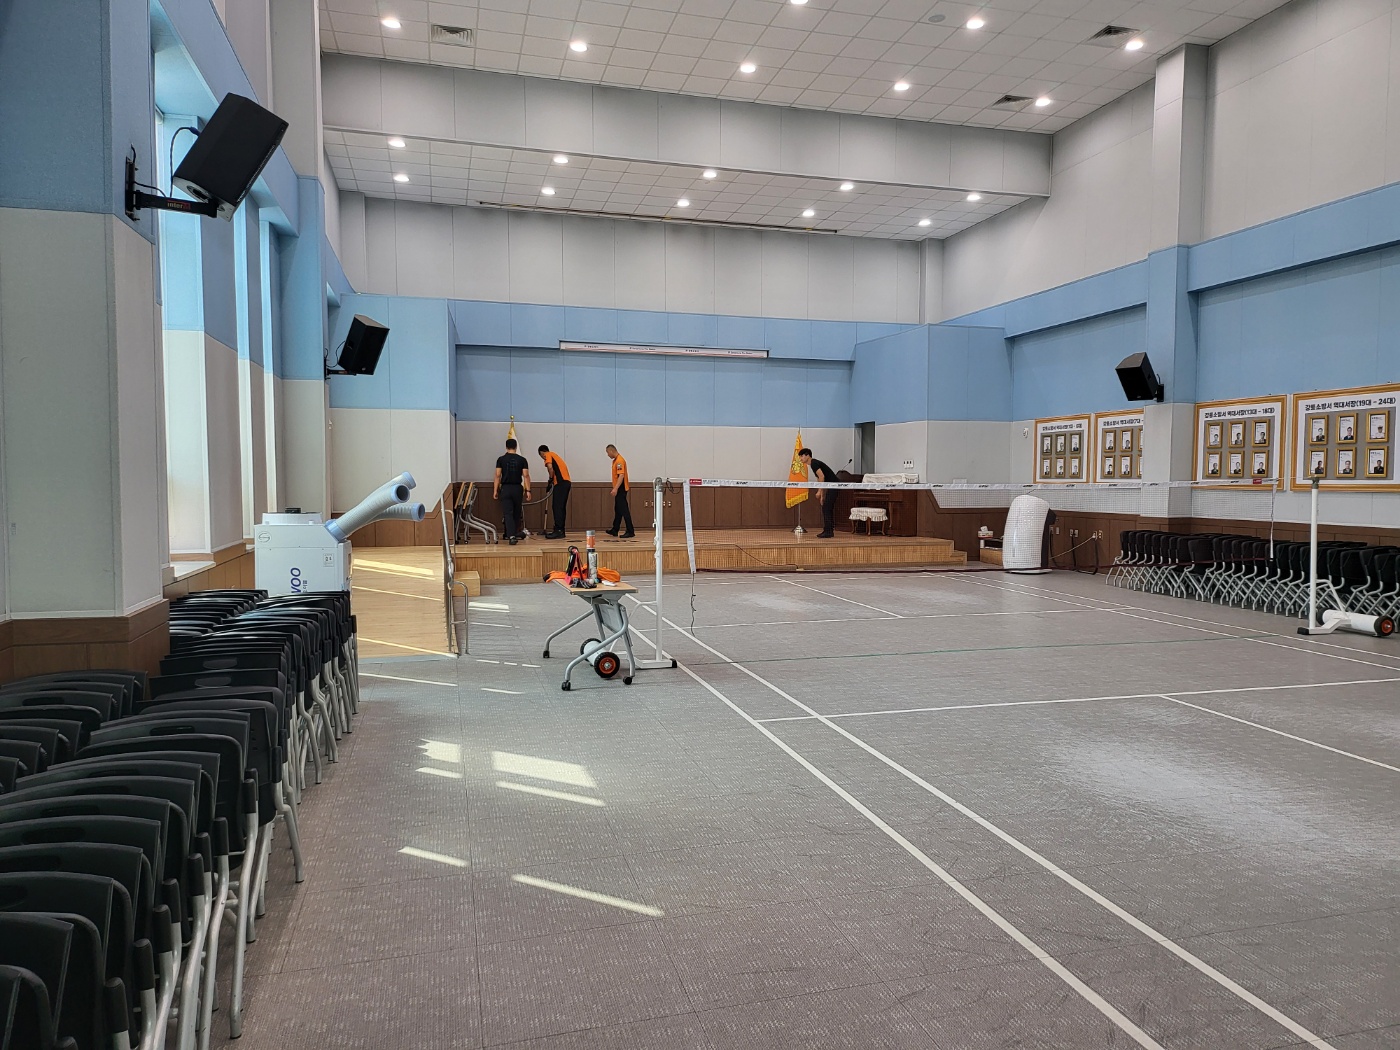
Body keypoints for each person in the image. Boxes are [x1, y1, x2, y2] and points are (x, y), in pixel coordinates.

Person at [493, 438, 531, 545]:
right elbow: (526, 476)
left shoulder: (501, 459)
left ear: (506, 447)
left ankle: (511, 535)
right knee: (516, 512)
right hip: (517, 488)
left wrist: (495, 490)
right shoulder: (522, 460)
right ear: (516, 447)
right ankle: (513, 533)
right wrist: (528, 490)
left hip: (505, 488)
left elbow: (497, 475)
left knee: (507, 513)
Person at [799, 448, 838, 538]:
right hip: (830, 486)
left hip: (835, 485)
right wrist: (822, 496)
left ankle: (828, 531)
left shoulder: (814, 463)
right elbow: (820, 479)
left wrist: (819, 491)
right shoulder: (813, 464)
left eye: (802, 456)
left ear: (807, 455)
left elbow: (821, 476)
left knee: (826, 508)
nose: (800, 458)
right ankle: (829, 530)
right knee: (826, 507)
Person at [538, 445, 571, 538]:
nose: (543, 459)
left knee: (557, 507)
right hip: (566, 483)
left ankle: (558, 530)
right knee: (561, 507)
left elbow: (550, 467)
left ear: (542, 453)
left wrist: (550, 479)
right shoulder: (555, 455)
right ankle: (561, 530)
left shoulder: (548, 454)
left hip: (561, 483)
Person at [605, 444, 635, 538]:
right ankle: (615, 529)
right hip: (619, 488)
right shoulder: (615, 461)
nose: (607, 455)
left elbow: (621, 475)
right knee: (618, 509)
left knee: (624, 510)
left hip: (621, 488)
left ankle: (630, 531)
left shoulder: (619, 461)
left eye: (607, 452)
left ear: (611, 451)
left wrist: (615, 488)